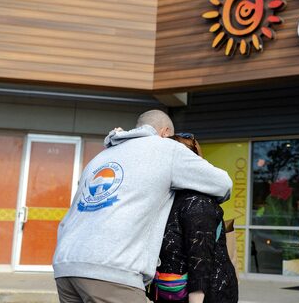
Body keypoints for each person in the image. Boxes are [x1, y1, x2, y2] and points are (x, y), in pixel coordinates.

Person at [53, 110, 233, 303]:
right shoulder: (166, 148)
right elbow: (223, 184)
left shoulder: (101, 157)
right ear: (165, 132)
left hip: (65, 266)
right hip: (112, 270)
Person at [148, 133, 238, 303]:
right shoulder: (170, 199)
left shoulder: (197, 202)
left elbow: (200, 263)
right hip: (173, 292)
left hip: (207, 296)